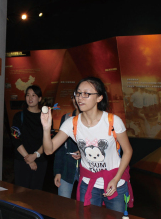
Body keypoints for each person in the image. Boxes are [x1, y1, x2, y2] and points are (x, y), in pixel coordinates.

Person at [42, 77, 133, 211]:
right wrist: (46, 128)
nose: (80, 97)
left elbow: (128, 151)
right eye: (78, 93)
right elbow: (49, 150)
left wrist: (116, 179)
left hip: (115, 182)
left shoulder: (113, 121)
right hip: (88, 183)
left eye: (86, 93)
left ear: (99, 98)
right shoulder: (71, 123)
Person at [51, 100, 80, 219]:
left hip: (87, 172)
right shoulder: (67, 118)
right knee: (62, 208)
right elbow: (60, 147)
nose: (79, 99)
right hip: (67, 169)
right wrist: (57, 171)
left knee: (85, 210)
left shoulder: (94, 120)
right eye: (77, 95)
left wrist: (84, 153)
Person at [11, 85, 47, 189]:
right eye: (28, 95)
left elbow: (49, 140)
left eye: (33, 95)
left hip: (40, 161)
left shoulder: (46, 117)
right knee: (20, 194)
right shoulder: (18, 116)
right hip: (21, 161)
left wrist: (35, 155)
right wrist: (29, 158)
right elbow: (15, 138)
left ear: (39, 98)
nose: (30, 98)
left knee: (36, 194)